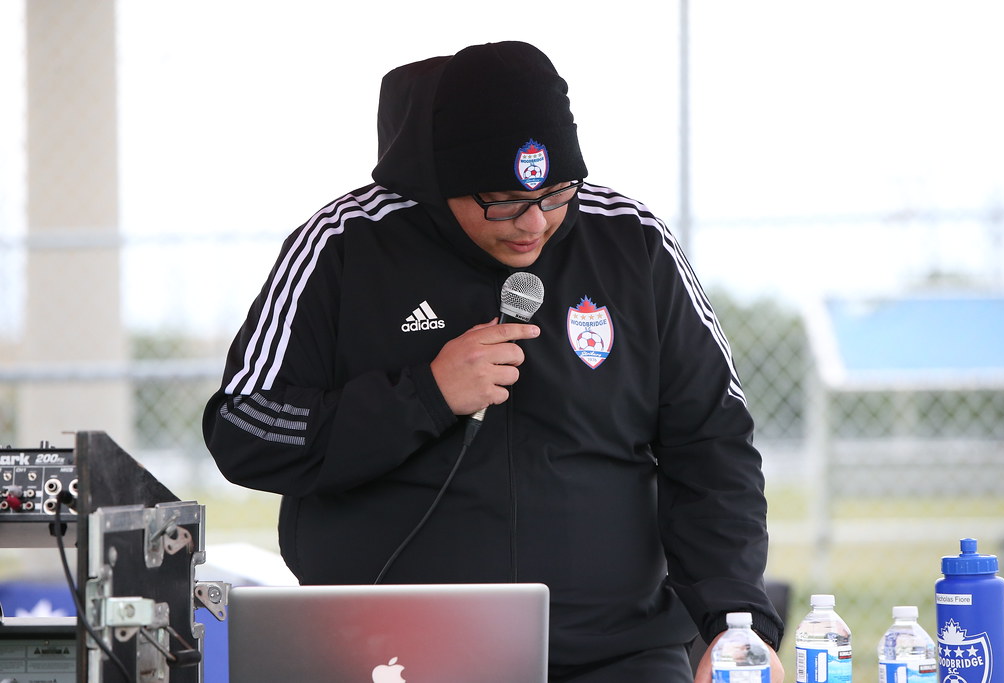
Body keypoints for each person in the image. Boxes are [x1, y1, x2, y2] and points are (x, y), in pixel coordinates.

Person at [203, 40, 785, 683]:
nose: (534, 223)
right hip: (391, 654)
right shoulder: (346, 243)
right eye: (504, 201)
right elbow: (246, 428)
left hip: (616, 652)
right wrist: (425, 395)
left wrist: (735, 620)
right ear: (437, 181)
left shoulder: (631, 241)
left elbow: (712, 441)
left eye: (558, 193)